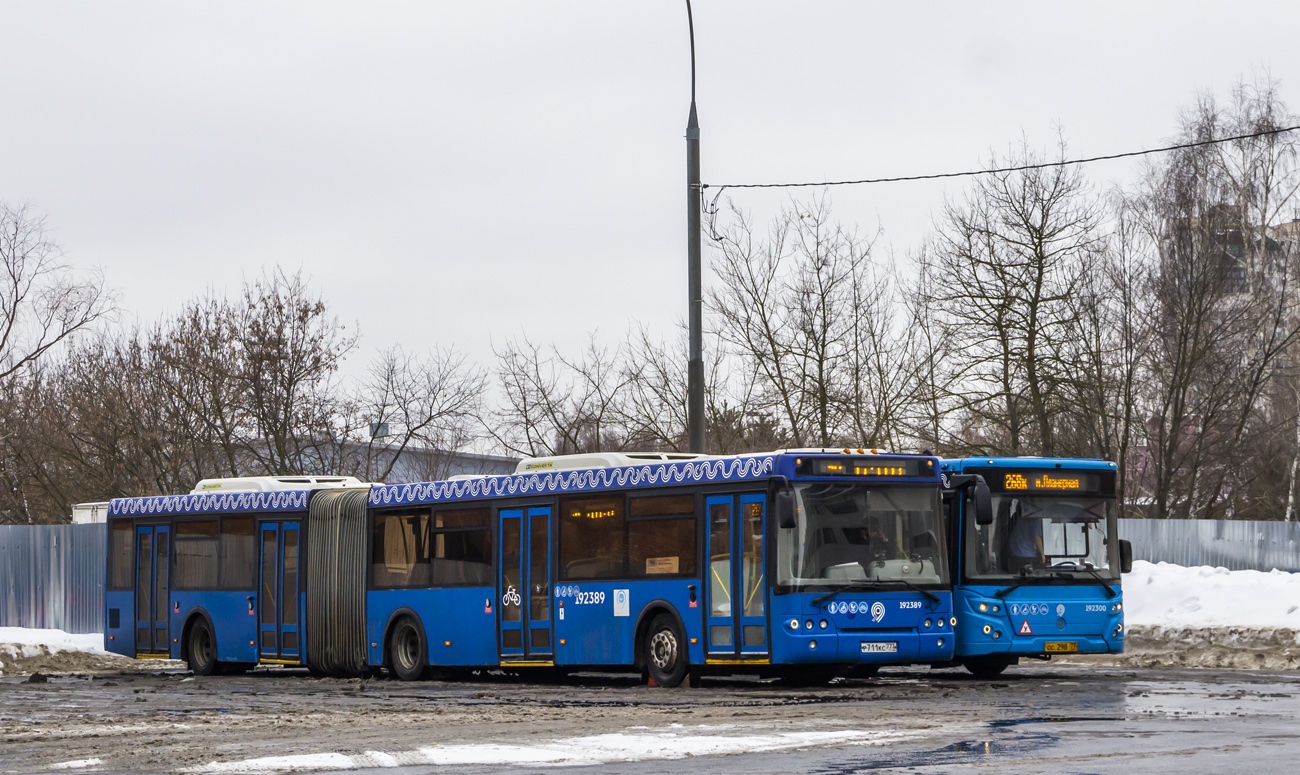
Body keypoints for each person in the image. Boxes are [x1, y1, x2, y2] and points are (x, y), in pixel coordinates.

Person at [1003, 500, 1044, 573]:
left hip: (1014, 556)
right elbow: (1036, 538)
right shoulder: (1033, 519)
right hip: (1028, 557)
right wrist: (1042, 556)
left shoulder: (1014, 518)